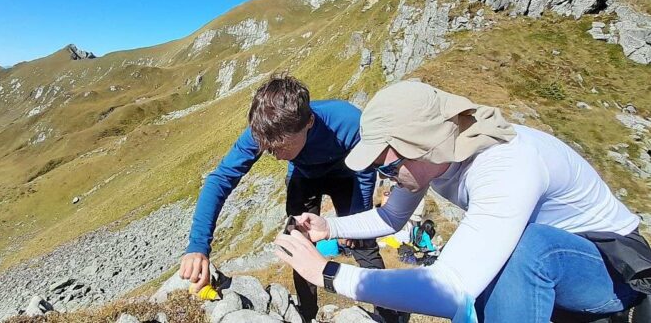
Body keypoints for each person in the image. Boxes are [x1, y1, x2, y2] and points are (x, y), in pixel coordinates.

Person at [275, 81, 651, 322]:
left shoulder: (507, 164)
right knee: (502, 260)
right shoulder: (439, 157)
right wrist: (331, 226)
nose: (384, 177)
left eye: (386, 167)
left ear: (421, 144)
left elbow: (449, 288)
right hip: (549, 268)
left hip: (613, 268)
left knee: (527, 248)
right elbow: (391, 217)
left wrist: (328, 273)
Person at [179, 74, 402, 321]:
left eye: (282, 147)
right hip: (303, 180)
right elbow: (220, 179)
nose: (275, 155)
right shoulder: (264, 130)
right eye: (269, 148)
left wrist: (357, 217)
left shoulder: (348, 121)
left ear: (309, 122)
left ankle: (389, 314)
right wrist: (198, 246)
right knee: (299, 244)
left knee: (363, 244)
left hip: (346, 177)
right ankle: (307, 315)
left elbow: (366, 171)